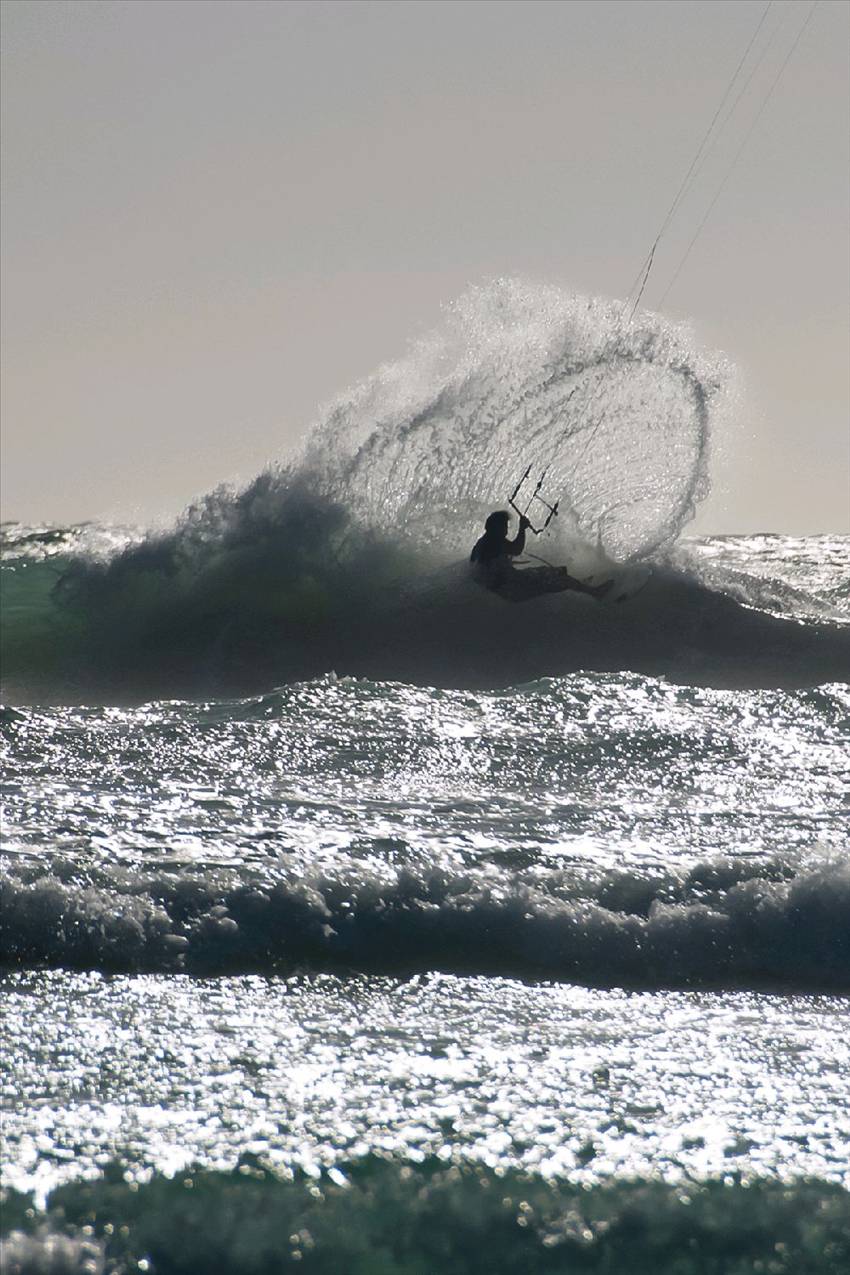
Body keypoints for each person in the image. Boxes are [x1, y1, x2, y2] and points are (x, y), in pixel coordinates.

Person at [470, 510, 612, 602]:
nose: (506, 529)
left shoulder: (483, 542)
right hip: (512, 588)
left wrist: (500, 566)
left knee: (551, 571)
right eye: (504, 526)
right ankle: (593, 592)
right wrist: (522, 529)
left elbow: (481, 567)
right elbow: (516, 549)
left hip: (506, 586)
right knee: (556, 577)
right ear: (496, 527)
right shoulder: (494, 541)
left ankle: (580, 585)